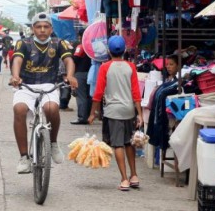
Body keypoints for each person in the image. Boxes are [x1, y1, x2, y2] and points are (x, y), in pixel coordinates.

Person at [10, 12, 78, 174]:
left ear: (51, 28)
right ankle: (24, 157)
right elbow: (17, 60)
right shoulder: (23, 43)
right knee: (19, 109)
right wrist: (15, 76)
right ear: (33, 29)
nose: (42, 30)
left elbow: (68, 60)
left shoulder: (58, 43)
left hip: (49, 85)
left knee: (51, 109)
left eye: (45, 27)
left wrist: (70, 75)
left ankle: (53, 143)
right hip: (26, 86)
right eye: (38, 27)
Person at [88, 35, 143, 191]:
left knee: (118, 144)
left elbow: (98, 93)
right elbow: (136, 92)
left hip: (113, 111)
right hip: (129, 110)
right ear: (124, 50)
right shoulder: (131, 66)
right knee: (129, 143)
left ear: (108, 51)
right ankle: (134, 176)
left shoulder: (105, 67)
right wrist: (139, 114)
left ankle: (124, 179)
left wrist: (92, 113)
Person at [71, 29, 93, 125]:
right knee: (88, 96)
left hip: (80, 73)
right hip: (90, 73)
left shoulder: (81, 46)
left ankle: (82, 118)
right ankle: (88, 116)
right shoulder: (92, 45)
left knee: (81, 97)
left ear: (80, 36)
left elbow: (74, 59)